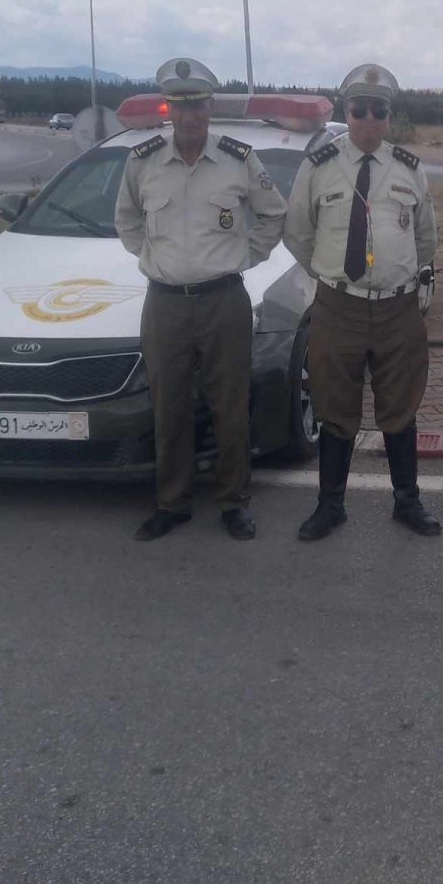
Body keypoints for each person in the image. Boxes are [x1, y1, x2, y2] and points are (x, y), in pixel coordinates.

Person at [114, 57, 288, 541]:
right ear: (169, 109)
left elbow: (274, 214)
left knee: (230, 406)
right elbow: (126, 219)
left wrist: (246, 256)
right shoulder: (143, 161)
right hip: (165, 304)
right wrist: (151, 256)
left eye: (198, 106)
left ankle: (234, 502)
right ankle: (172, 503)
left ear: (210, 108)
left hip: (223, 301)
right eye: (181, 106)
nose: (189, 115)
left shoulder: (238, 159)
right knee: (168, 406)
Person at [283, 64, 440, 541]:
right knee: (334, 406)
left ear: (389, 116)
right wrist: (332, 277)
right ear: (346, 111)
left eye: (379, 109)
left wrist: (395, 277)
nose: (369, 117)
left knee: (401, 407)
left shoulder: (409, 169)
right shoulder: (318, 166)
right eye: (360, 108)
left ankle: (407, 502)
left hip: (397, 308)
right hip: (339, 306)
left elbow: (426, 240)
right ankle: (330, 505)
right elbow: (298, 233)